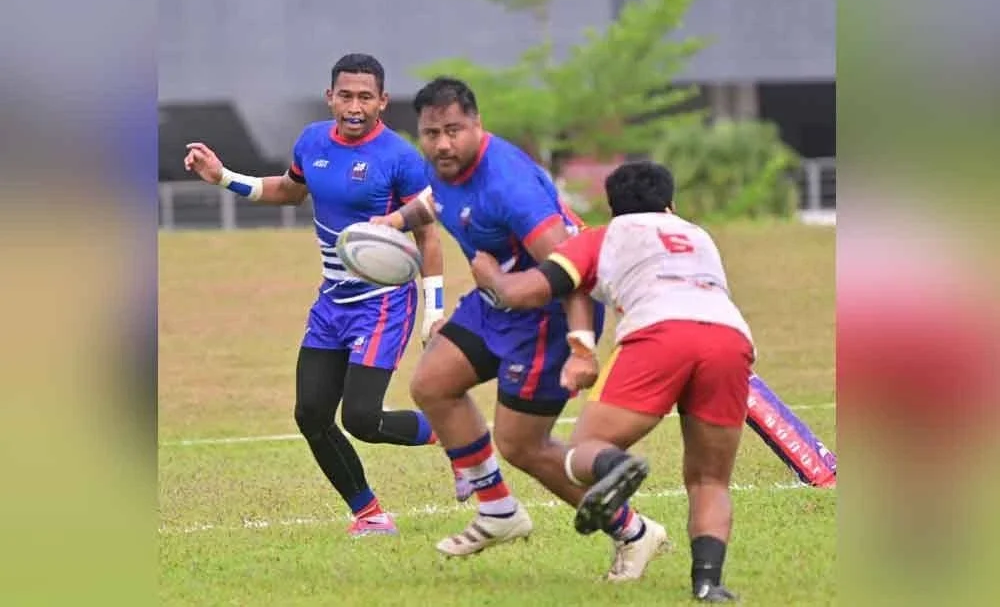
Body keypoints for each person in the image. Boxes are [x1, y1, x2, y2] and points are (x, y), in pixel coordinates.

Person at [373, 77, 669, 582]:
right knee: (432, 383)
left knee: (522, 446)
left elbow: (571, 272)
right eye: (431, 133)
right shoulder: (443, 163)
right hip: (497, 301)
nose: (442, 143)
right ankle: (498, 511)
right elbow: (434, 199)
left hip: (547, 319)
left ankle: (634, 531)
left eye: (453, 131)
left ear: (477, 124)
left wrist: (580, 348)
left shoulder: (507, 185)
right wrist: (394, 223)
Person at [183, 54, 470, 537]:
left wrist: (434, 311)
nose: (354, 106)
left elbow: (429, 234)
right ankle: (371, 515)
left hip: (383, 302)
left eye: (365, 97)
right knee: (311, 414)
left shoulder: (398, 157)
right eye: (345, 95)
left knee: (362, 418)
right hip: (332, 300)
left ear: (382, 101)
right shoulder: (312, 140)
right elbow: (290, 191)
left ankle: (457, 439)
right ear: (330, 96)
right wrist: (224, 177)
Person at [469, 160, 753, 602]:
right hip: (730, 337)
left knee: (584, 450)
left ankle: (615, 467)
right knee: (709, 480)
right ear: (671, 203)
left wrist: (493, 279)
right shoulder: (699, 235)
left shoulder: (604, 236)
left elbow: (531, 291)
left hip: (660, 333)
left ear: (612, 206)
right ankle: (708, 584)